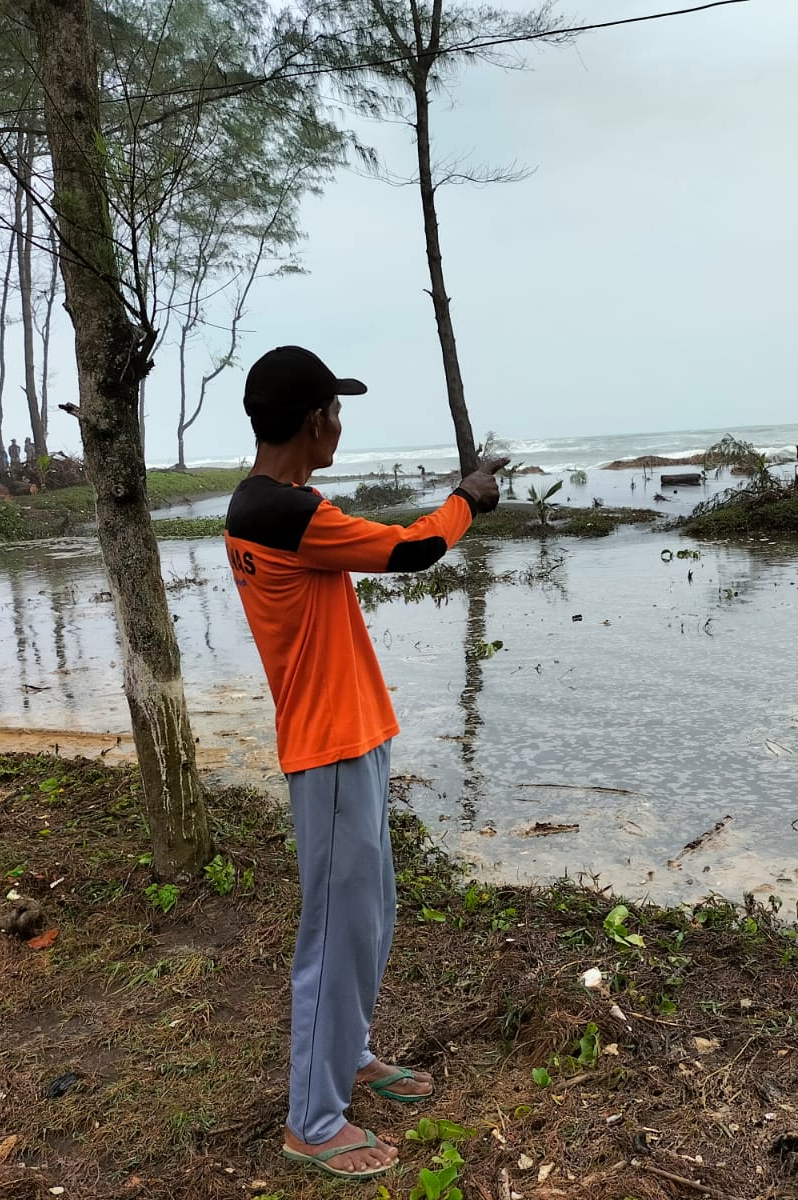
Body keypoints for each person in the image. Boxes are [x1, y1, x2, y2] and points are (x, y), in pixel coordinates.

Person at [223, 345, 504, 1182]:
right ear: (314, 420)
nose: (341, 423)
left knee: (369, 914)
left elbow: (374, 541)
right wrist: (467, 500)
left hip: (355, 735)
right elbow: (412, 550)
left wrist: (449, 505)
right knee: (335, 931)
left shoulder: (280, 503)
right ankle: (311, 1120)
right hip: (330, 747)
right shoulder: (280, 514)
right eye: (335, 411)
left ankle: (347, 1058)